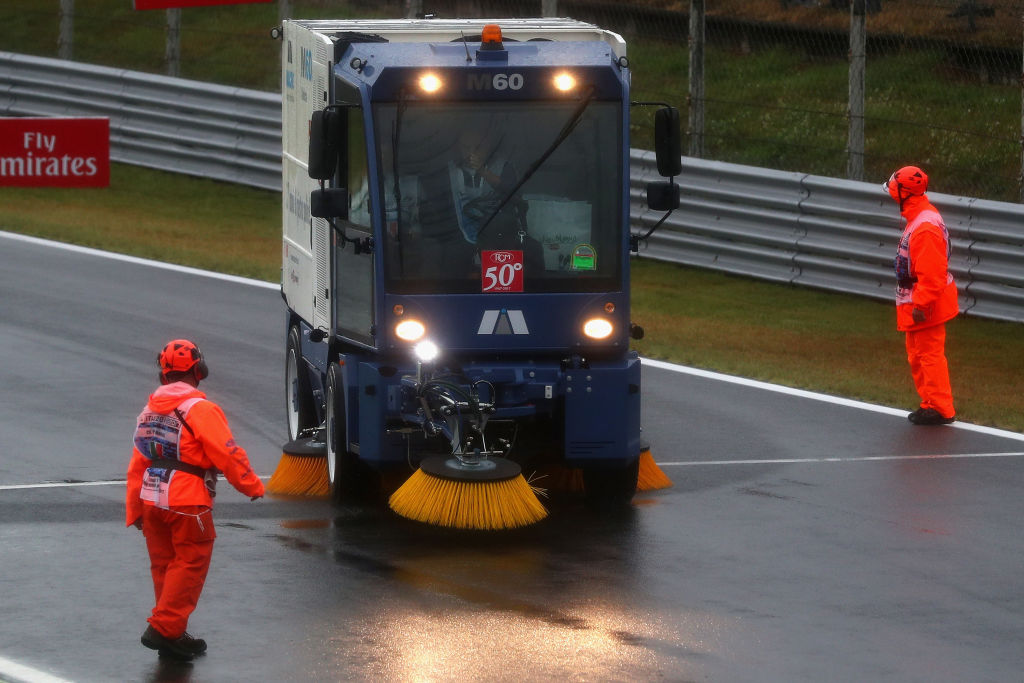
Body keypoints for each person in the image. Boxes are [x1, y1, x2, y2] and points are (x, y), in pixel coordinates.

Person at [126, 339, 265, 660]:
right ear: (198, 370)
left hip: (151, 498)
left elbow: (138, 463)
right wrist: (251, 486)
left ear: (163, 375)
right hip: (188, 500)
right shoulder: (201, 409)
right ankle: (164, 627)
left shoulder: (147, 412)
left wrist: (134, 510)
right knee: (190, 563)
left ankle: (172, 632)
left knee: (165, 565)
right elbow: (226, 451)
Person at [883, 166, 959, 425]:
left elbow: (933, 273)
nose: (892, 193)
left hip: (926, 301)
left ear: (905, 192)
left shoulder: (925, 227)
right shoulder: (920, 216)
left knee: (928, 354)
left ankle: (940, 407)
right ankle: (930, 403)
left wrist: (922, 303)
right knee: (918, 354)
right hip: (917, 297)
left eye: (894, 189)